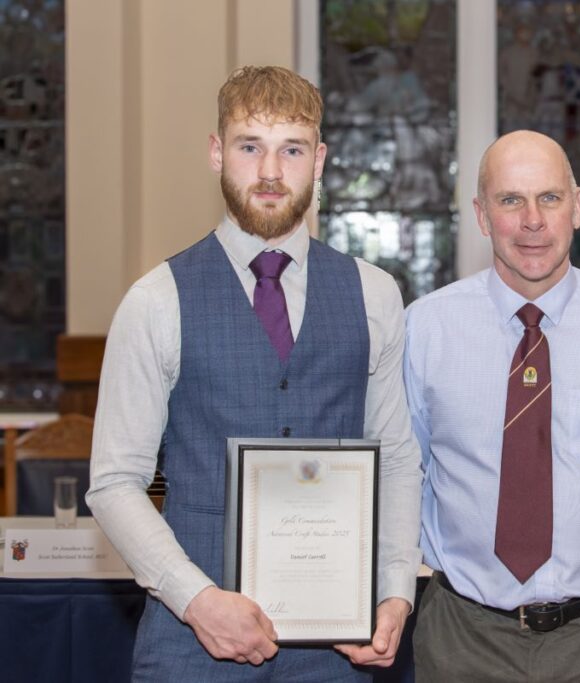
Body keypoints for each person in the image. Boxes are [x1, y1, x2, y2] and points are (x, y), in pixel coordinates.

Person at [87, 66, 422, 680]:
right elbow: (114, 482)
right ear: (217, 153)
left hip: (336, 650)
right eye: (250, 147)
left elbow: (397, 456)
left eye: (291, 150)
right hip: (192, 643)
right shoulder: (156, 300)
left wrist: (397, 589)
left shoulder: (375, 294)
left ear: (318, 161)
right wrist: (197, 600)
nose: (270, 173)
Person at [403, 129, 580, 682]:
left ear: (576, 207)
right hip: (462, 638)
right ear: (481, 215)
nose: (532, 220)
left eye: (549, 198)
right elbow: (408, 474)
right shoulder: (425, 329)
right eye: (510, 200)